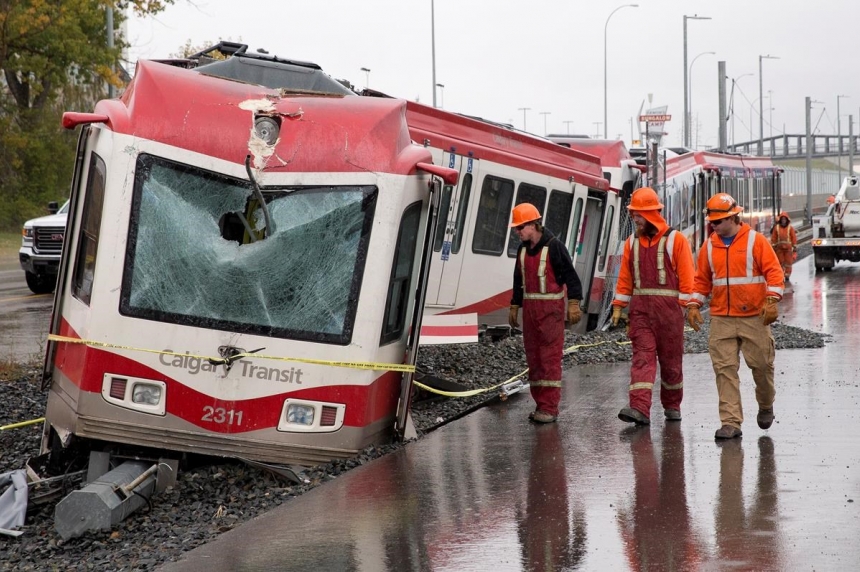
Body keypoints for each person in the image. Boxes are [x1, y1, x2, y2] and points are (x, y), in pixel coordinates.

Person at [686, 193, 785, 440]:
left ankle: (765, 404)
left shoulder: (756, 241)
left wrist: (772, 300)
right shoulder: (709, 246)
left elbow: (774, 273)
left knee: (762, 366)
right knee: (724, 369)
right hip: (721, 318)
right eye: (712, 222)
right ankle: (730, 422)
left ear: (733, 217)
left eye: (718, 222)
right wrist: (694, 305)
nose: (714, 226)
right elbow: (701, 281)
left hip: (754, 317)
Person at [612, 187, 696, 426]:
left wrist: (689, 306)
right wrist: (619, 304)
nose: (635, 220)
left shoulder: (676, 240)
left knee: (671, 362)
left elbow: (687, 276)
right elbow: (625, 278)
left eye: (638, 215)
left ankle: (672, 404)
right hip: (641, 313)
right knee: (642, 358)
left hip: (670, 313)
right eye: (634, 215)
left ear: (650, 215)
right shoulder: (632, 243)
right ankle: (639, 407)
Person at [508, 202, 582, 423]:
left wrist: (574, 303)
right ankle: (541, 405)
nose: (517, 232)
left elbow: (571, 276)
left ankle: (549, 408)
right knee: (534, 360)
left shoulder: (555, 247)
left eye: (520, 228)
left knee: (549, 359)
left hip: (551, 313)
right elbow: (518, 280)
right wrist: (515, 304)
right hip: (531, 313)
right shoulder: (522, 250)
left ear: (533, 225)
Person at [770, 211, 797, 282]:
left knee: (788, 263)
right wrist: (773, 247)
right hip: (779, 249)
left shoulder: (790, 228)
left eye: (785, 219)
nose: (783, 221)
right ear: (780, 220)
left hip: (788, 250)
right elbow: (774, 238)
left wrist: (794, 248)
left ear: (787, 220)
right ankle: (781, 275)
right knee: (780, 263)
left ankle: (787, 275)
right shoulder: (777, 228)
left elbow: (793, 237)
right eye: (782, 219)